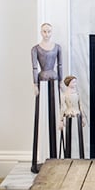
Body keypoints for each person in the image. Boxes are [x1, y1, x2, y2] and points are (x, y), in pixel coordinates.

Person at [30, 22, 62, 172]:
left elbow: (60, 65)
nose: (47, 34)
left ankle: (55, 159)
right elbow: (34, 67)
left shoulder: (57, 47)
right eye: (44, 31)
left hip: (54, 77)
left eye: (49, 31)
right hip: (42, 77)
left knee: (54, 112)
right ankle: (37, 162)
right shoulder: (35, 49)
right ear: (41, 32)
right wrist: (35, 84)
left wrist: (62, 81)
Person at [58, 75, 86, 158]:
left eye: (75, 82)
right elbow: (63, 107)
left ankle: (82, 157)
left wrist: (83, 117)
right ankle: (67, 157)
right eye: (73, 82)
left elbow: (80, 105)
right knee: (68, 135)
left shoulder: (77, 93)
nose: (75, 83)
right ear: (69, 83)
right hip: (68, 112)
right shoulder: (64, 95)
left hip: (77, 112)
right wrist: (61, 120)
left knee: (80, 135)